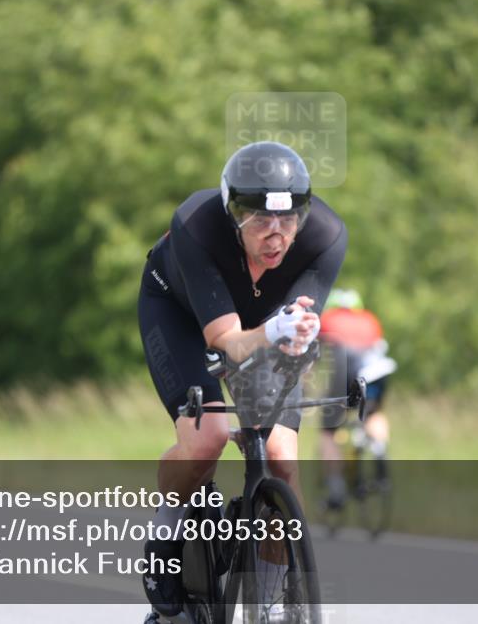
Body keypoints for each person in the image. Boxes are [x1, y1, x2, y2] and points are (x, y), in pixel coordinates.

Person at [137, 141, 347, 620]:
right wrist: (275, 331)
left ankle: (273, 598)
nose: (276, 235)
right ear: (234, 216)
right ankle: (167, 530)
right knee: (207, 437)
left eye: (288, 219)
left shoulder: (326, 236)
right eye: (260, 221)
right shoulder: (197, 224)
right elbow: (226, 341)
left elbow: (292, 336)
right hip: (184, 316)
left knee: (280, 455)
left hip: (260, 326)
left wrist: (298, 344)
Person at [317, 288, 396, 509]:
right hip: (379, 370)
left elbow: (311, 359)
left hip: (348, 369)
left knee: (328, 431)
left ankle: (335, 488)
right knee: (374, 413)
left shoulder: (327, 319)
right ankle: (379, 448)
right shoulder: (370, 320)